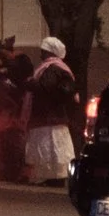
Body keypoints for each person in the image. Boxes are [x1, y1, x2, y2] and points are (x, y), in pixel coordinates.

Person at [25, 36, 79, 184]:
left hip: (48, 118)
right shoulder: (58, 68)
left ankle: (53, 178)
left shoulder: (52, 68)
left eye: (44, 51)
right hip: (53, 118)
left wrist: (30, 83)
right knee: (54, 150)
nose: (41, 54)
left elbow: (45, 88)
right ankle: (53, 177)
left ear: (50, 52)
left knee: (49, 150)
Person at [0, 38, 27, 182]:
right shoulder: (4, 65)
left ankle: (16, 172)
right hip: (2, 110)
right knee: (2, 140)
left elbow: (21, 85)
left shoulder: (20, 62)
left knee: (14, 141)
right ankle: (6, 171)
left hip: (15, 109)